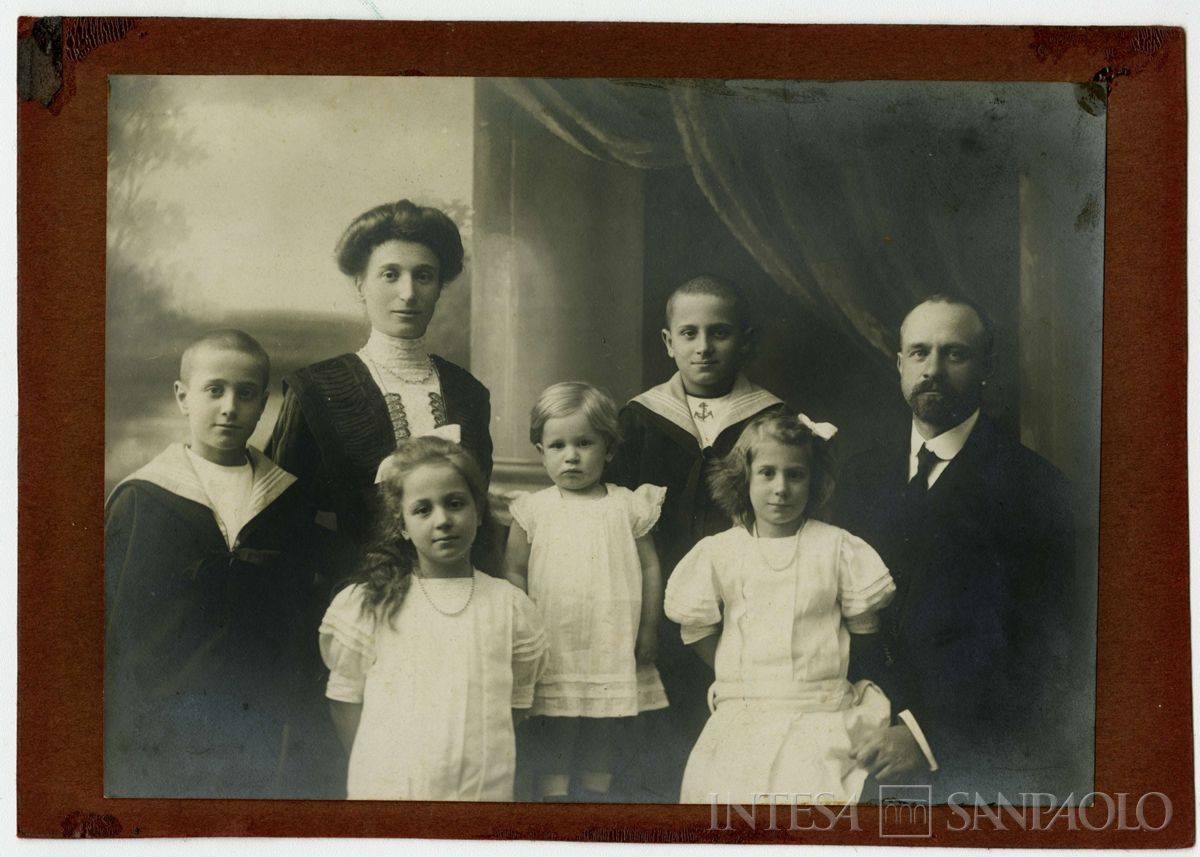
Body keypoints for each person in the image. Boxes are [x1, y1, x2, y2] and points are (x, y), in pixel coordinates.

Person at [833, 294, 1077, 802]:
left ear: (987, 366)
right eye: (919, 353)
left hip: (966, 763)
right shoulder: (856, 477)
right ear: (900, 365)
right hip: (849, 749)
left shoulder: (1034, 487)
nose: (933, 370)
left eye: (955, 354)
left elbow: (1045, 650)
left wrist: (927, 738)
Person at [104, 329, 328, 798]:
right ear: (183, 397)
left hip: (257, 716)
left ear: (263, 402)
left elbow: (299, 618)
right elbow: (113, 623)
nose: (230, 406)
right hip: (162, 719)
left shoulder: (285, 500)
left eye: (246, 394)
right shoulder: (143, 499)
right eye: (214, 390)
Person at [606, 274, 787, 800]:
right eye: (688, 333)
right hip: (656, 608)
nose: (703, 347)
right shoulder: (639, 421)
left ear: (745, 340)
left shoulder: (770, 420)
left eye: (720, 333)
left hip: (741, 609)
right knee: (660, 746)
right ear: (668, 342)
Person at [665, 412, 896, 804]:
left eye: (795, 475)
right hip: (743, 715)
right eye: (767, 473)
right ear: (745, 479)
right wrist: (744, 675)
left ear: (814, 481)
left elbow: (863, 630)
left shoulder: (837, 547)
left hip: (819, 714)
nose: (781, 488)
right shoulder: (721, 552)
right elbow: (697, 630)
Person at [318, 437, 548, 800]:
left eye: (455, 504)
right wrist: (380, 771)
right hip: (391, 792)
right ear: (403, 526)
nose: (443, 520)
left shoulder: (509, 608)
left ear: (479, 510)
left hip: (480, 792)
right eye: (423, 510)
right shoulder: (372, 604)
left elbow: (516, 705)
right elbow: (345, 701)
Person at [267, 199, 493, 559]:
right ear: (361, 284)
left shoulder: (468, 393)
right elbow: (280, 524)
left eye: (423, 275)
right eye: (390, 274)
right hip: (354, 596)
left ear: (438, 288)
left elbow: (479, 514)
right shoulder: (313, 389)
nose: (408, 293)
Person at [502, 382, 669, 802]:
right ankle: (555, 795)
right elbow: (515, 571)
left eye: (584, 443)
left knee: (603, 718)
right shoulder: (533, 508)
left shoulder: (628, 505)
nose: (571, 456)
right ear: (541, 451)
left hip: (611, 637)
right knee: (559, 717)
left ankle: (596, 792)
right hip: (555, 637)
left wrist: (648, 629)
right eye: (557, 445)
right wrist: (524, 633)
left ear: (609, 449)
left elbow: (650, 566)